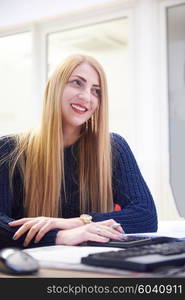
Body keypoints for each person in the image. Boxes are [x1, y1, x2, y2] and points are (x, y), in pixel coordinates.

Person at [0, 54, 157, 249]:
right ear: (55, 88)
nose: (86, 97)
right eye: (77, 83)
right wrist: (61, 236)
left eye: (96, 91)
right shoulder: (8, 149)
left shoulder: (113, 147)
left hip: (95, 267)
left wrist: (77, 222)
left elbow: (145, 216)